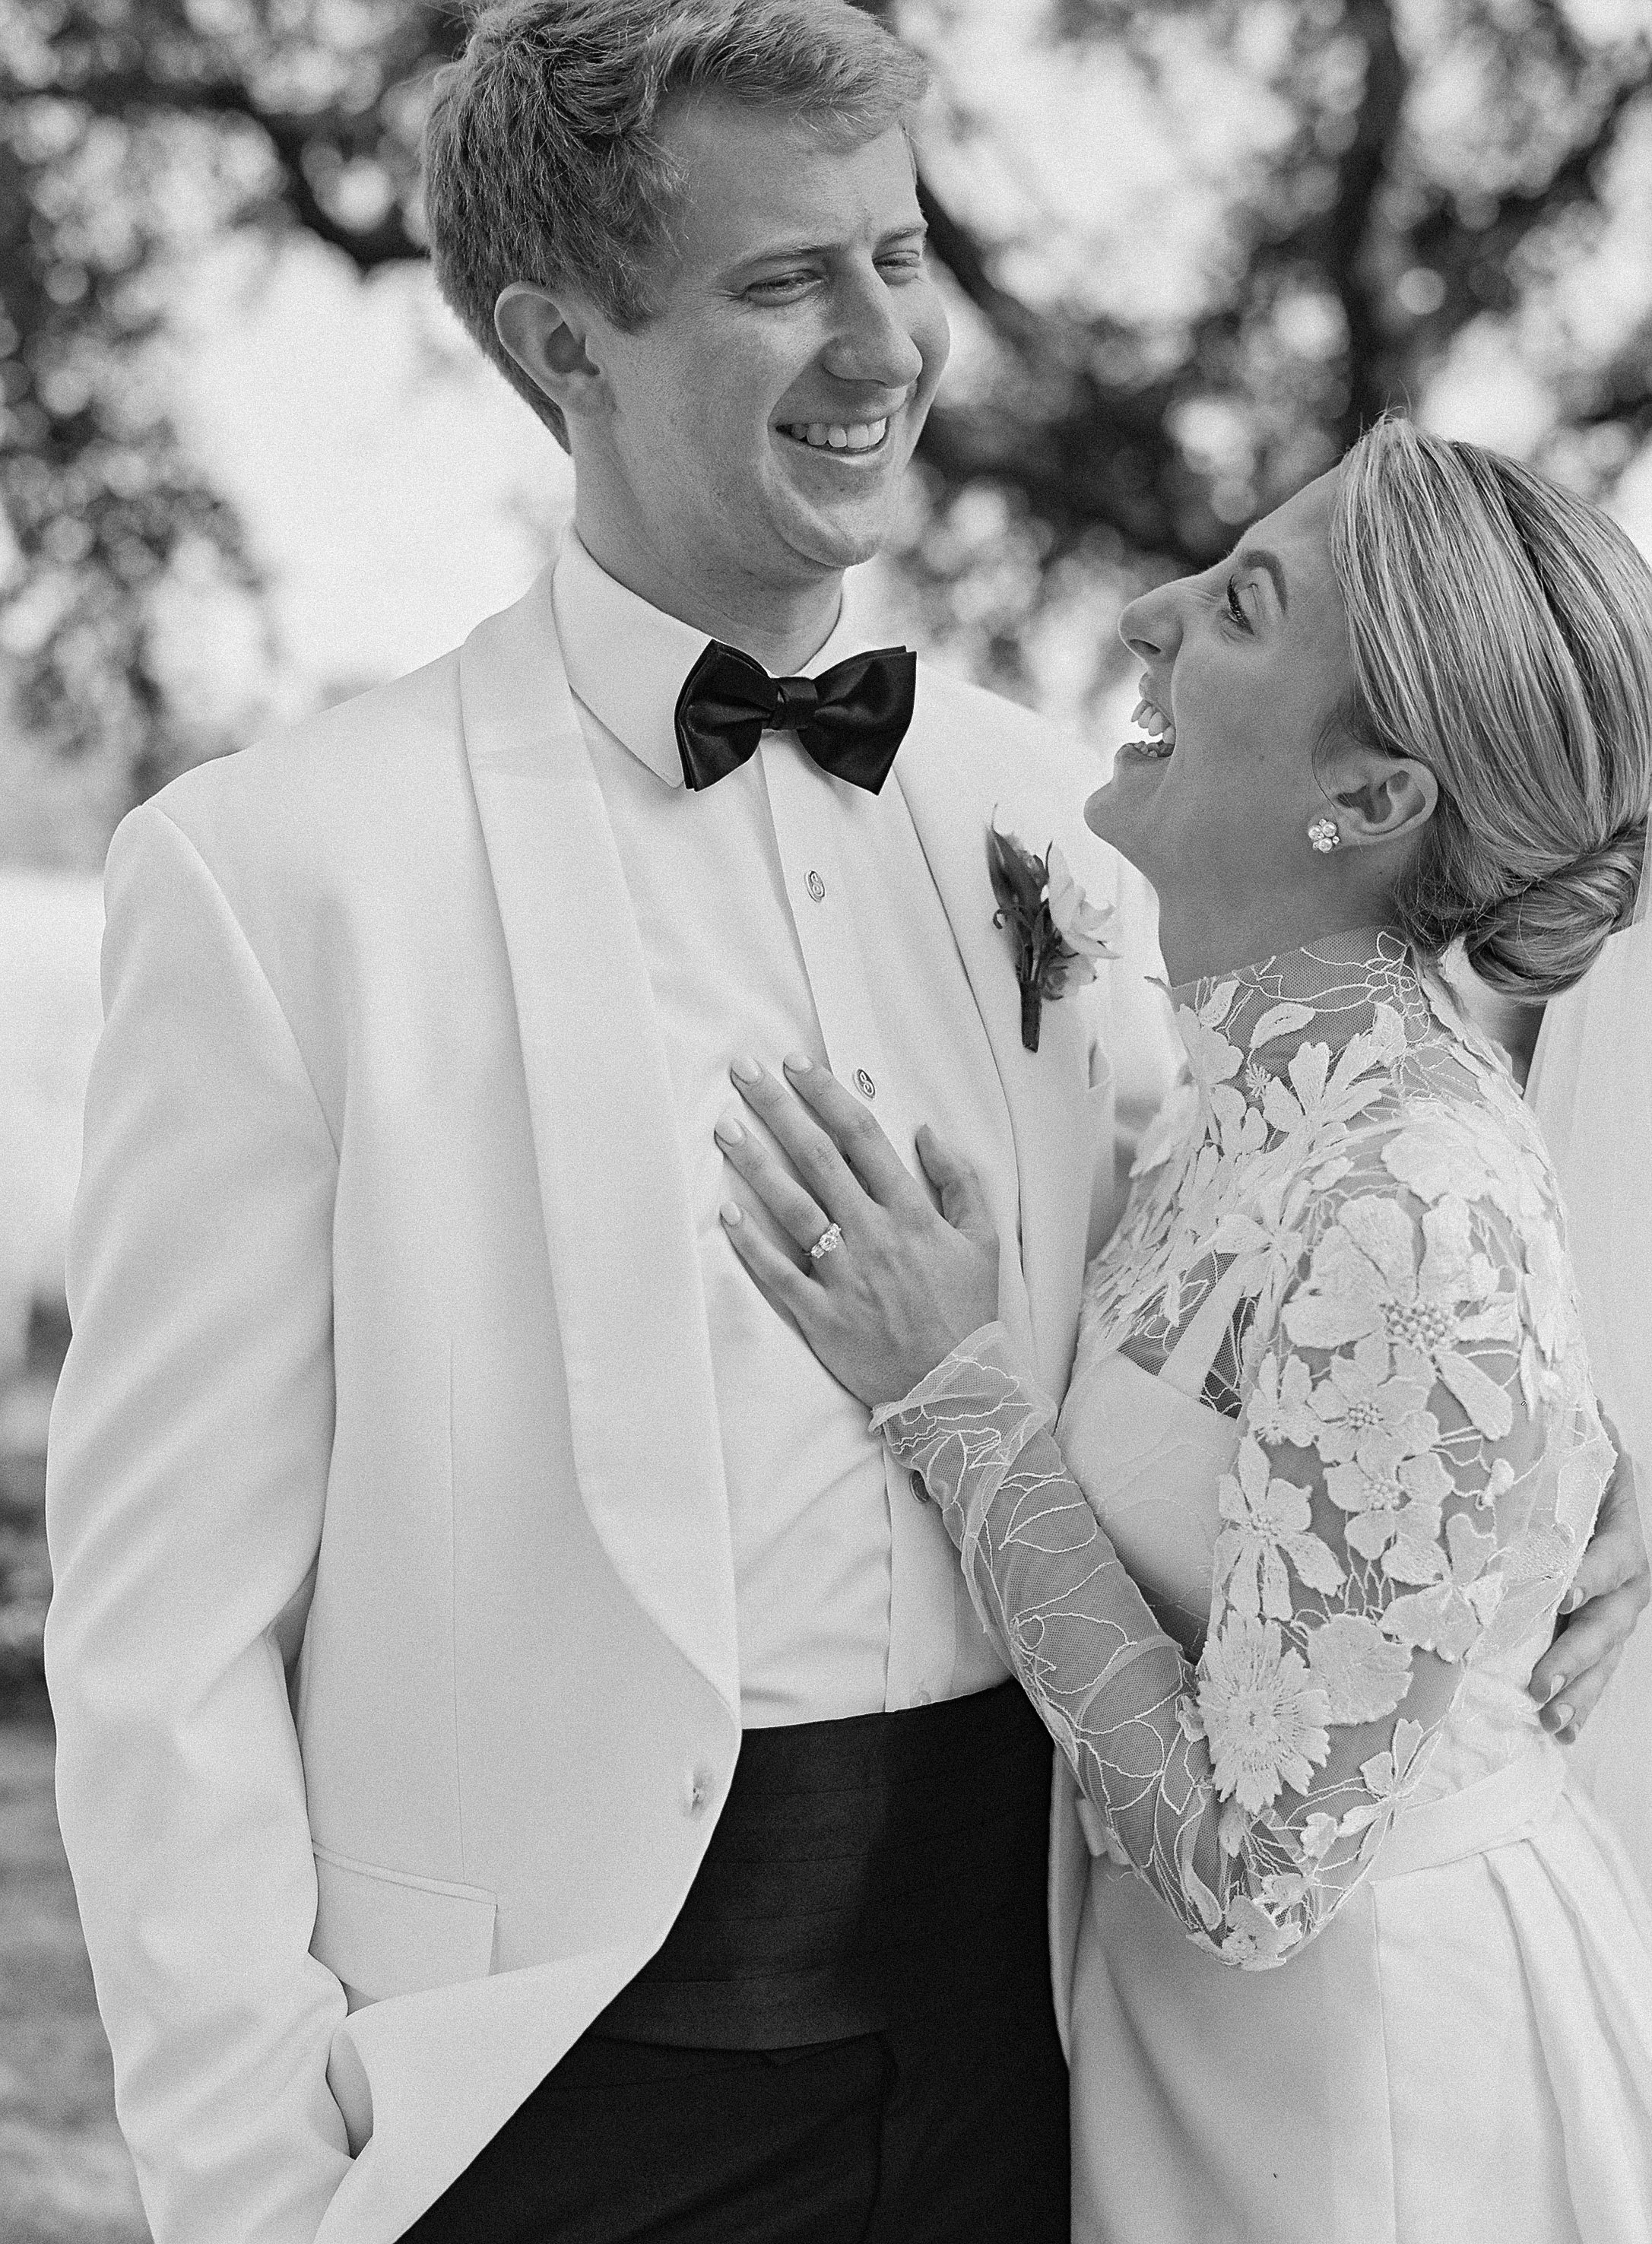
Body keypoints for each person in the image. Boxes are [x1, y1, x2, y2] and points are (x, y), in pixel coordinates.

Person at [39, 1, 1641, 2236]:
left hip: (1049, 2033)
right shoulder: (283, 870)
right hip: (550, 2087)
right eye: (784, 278)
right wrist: (256, 2183)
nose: (882, 338)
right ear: (558, 341)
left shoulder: (1055, 823)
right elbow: (159, 1639)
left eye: (899, 255)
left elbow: (1316, 1267)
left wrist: (1572, 1482)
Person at [719, 419, 1652, 2242]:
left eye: (1243, 605)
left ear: (1377, 800)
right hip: (1190, 2060)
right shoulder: (1253, 1102)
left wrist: (952, 1397)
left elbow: (1253, 1868)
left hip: (1381, 2094)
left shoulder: (1414, 1202)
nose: (1147, 611)